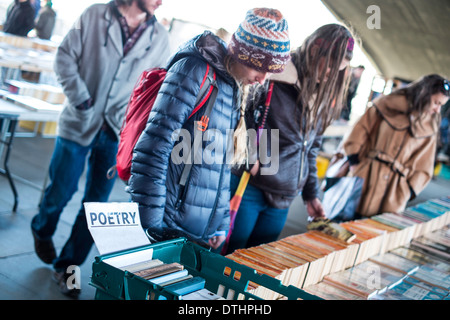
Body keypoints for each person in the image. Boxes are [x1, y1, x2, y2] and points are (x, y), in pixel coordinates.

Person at [30, 0, 170, 298]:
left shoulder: (160, 37)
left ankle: (67, 266)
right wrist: (80, 98)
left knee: (96, 205)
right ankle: (42, 228)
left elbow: (155, 86)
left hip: (117, 133)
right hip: (79, 120)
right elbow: (65, 56)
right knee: (60, 190)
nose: (162, 1)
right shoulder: (92, 15)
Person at [128, 8, 291, 251]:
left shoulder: (233, 85)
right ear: (242, 54)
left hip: (196, 231)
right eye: (259, 67)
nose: (262, 79)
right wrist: (150, 226)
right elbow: (153, 148)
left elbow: (221, 165)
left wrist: (219, 223)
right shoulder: (194, 69)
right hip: (165, 224)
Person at [224, 24, 355, 254]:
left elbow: (311, 148)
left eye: (340, 69)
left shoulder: (322, 93)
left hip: (284, 199)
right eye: (332, 66)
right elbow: (241, 112)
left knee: (257, 265)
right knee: (227, 259)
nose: (333, 74)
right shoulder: (274, 74)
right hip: (249, 188)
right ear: (315, 49)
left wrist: (311, 195)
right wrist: (250, 158)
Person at [342, 74, 450, 218]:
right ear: (425, 94)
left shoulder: (430, 125)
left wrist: (408, 190)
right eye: (436, 102)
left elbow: (425, 166)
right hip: (364, 175)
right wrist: (354, 162)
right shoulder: (387, 103)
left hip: (394, 191)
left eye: (441, 105)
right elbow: (359, 131)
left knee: (377, 231)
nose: (437, 110)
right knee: (344, 224)